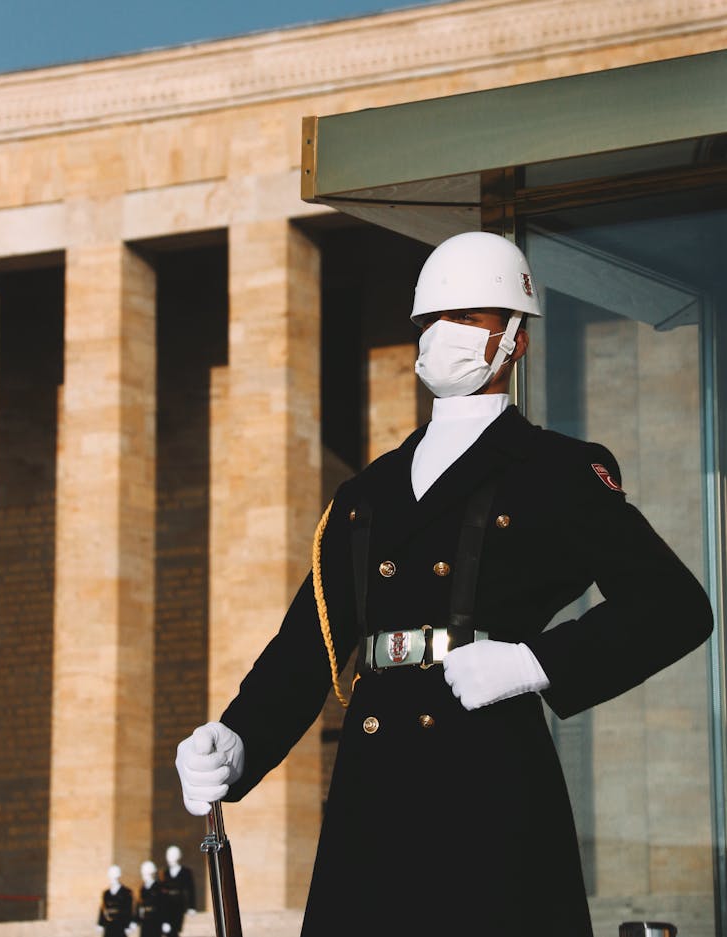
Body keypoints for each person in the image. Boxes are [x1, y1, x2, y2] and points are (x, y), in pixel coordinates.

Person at [174, 231, 713, 937]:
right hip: (372, 788)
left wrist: (535, 661)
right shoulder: (367, 492)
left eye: (469, 317)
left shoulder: (555, 471)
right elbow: (308, 648)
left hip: (487, 773)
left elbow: (673, 606)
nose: (443, 335)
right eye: (432, 319)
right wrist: (236, 738)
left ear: (515, 339)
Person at [159, 845, 196, 937]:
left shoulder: (186, 872)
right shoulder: (165, 872)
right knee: (167, 929)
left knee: (175, 929)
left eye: (173, 855)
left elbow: (191, 890)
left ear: (179, 856)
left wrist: (191, 906)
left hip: (179, 903)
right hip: (167, 904)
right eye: (169, 855)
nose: (170, 857)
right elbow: (161, 891)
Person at [97, 865, 134, 937]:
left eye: (114, 877)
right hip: (108, 926)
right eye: (111, 877)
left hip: (120, 925)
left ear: (118, 876)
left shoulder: (126, 892)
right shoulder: (106, 893)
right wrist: (100, 923)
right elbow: (103, 909)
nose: (112, 879)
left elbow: (128, 909)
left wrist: (128, 925)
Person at [133, 860, 163, 937]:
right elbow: (139, 905)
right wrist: (135, 920)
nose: (142, 875)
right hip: (145, 922)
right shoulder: (142, 889)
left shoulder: (159, 888)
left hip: (156, 921)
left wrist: (165, 921)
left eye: (144, 872)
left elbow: (164, 906)